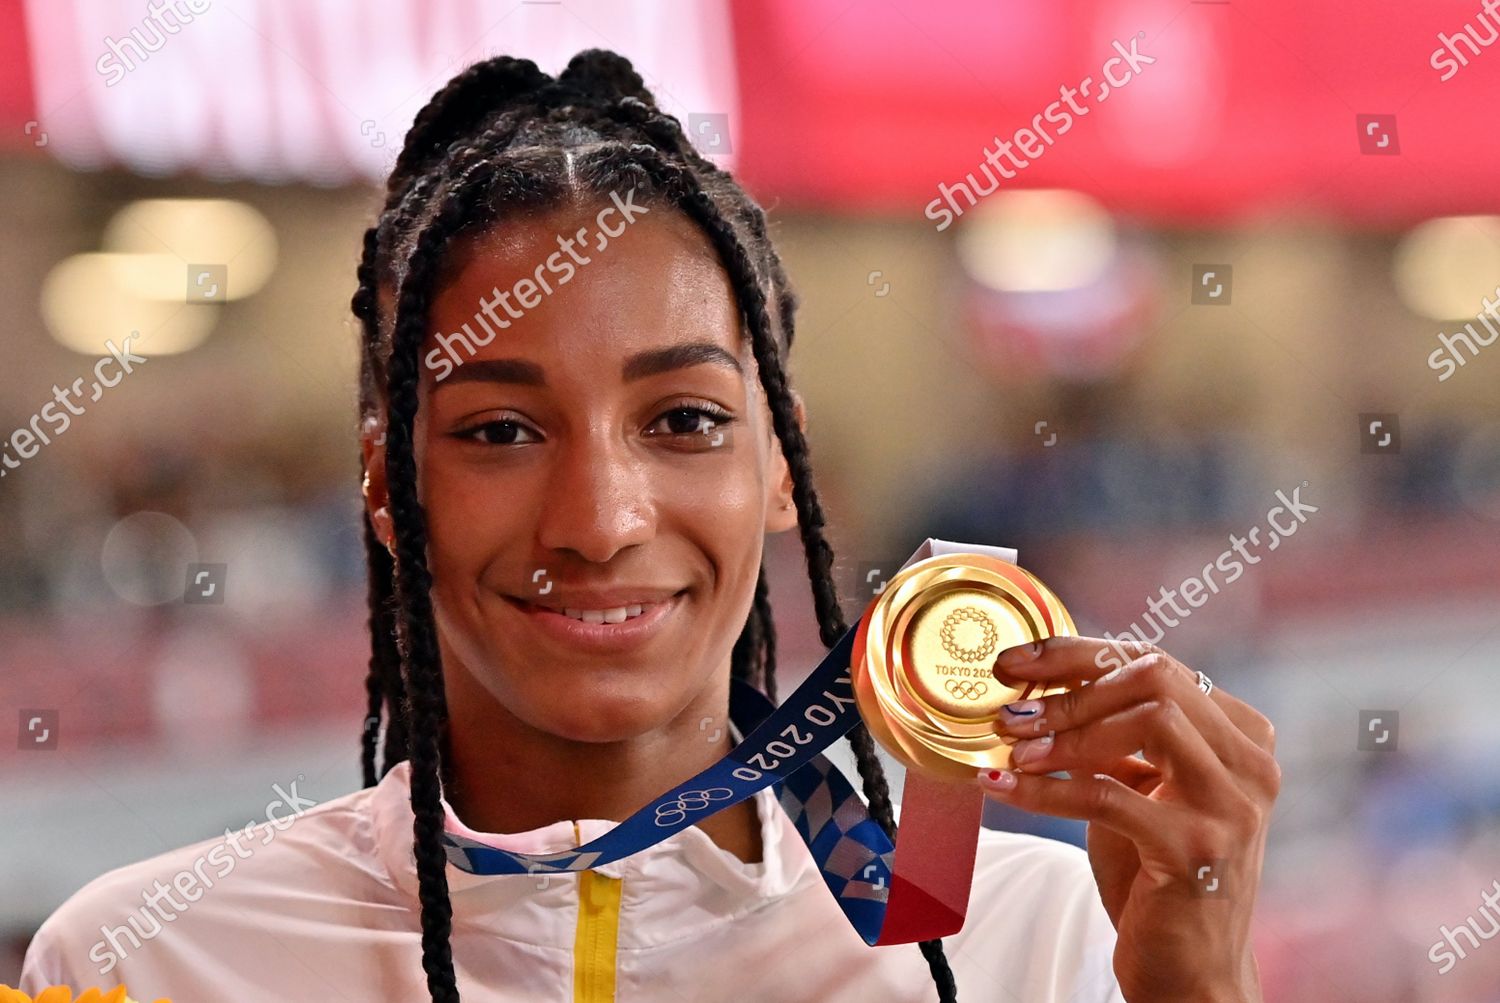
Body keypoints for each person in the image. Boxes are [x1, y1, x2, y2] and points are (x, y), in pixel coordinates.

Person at [19, 49, 1278, 1002]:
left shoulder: (1032, 940)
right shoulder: (143, 957)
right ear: (387, 488)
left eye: (682, 419)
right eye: (501, 432)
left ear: (783, 465)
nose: (600, 522)